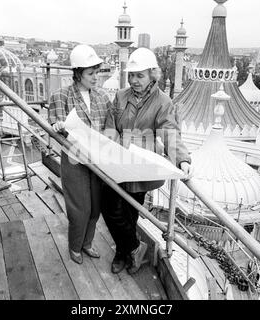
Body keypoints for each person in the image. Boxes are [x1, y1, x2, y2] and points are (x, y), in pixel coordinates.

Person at [102, 48, 193, 274]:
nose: (133, 80)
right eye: (131, 75)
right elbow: (111, 124)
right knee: (110, 207)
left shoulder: (163, 102)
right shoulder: (121, 96)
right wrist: (109, 149)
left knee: (131, 212)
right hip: (117, 162)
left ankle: (122, 254)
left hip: (140, 167)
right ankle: (134, 247)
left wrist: (181, 159)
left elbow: (169, 131)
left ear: (153, 75)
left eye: (139, 75)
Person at [48, 44, 112, 264]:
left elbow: (109, 128)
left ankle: (87, 243)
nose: (96, 78)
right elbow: (54, 125)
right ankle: (75, 246)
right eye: (90, 73)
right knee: (80, 209)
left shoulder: (103, 98)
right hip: (75, 159)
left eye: (97, 73)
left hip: (97, 159)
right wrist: (57, 126)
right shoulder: (61, 95)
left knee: (95, 208)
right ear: (77, 74)